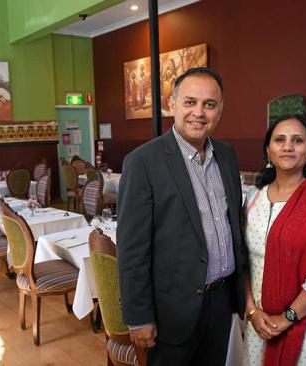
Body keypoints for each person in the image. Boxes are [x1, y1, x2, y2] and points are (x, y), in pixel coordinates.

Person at [117, 67, 247, 365]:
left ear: (220, 110)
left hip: (221, 300)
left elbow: (233, 227)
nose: (199, 112)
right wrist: (138, 316)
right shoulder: (143, 162)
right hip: (170, 310)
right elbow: (132, 249)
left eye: (209, 104)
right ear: (171, 104)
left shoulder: (227, 156)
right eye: (190, 102)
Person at [242, 114, 306, 365]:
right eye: (279, 140)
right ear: (268, 150)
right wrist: (252, 311)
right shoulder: (252, 199)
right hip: (258, 320)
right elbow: (241, 260)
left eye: (297, 140)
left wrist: (286, 318)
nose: (287, 146)